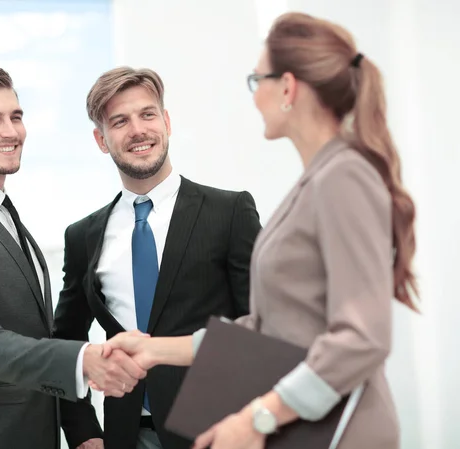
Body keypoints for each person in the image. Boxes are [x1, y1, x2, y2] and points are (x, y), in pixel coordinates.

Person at [98, 12, 419, 449]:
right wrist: (158, 350)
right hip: (304, 427)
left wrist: (257, 418)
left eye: (256, 81)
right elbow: (268, 330)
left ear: (287, 87)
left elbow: (362, 339)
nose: (254, 98)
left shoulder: (344, 176)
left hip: (341, 431)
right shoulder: (314, 183)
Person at [0, 66, 146, 449]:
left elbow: (38, 338)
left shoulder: (6, 220)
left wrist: (79, 430)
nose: (10, 131)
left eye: (15, 117)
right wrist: (83, 360)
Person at [53, 66, 262, 449]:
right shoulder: (83, 236)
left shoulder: (229, 211)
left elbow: (264, 325)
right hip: (125, 434)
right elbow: (66, 342)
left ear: (165, 122)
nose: (137, 130)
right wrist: (83, 432)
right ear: (101, 140)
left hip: (221, 430)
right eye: (120, 122)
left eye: (147, 114)